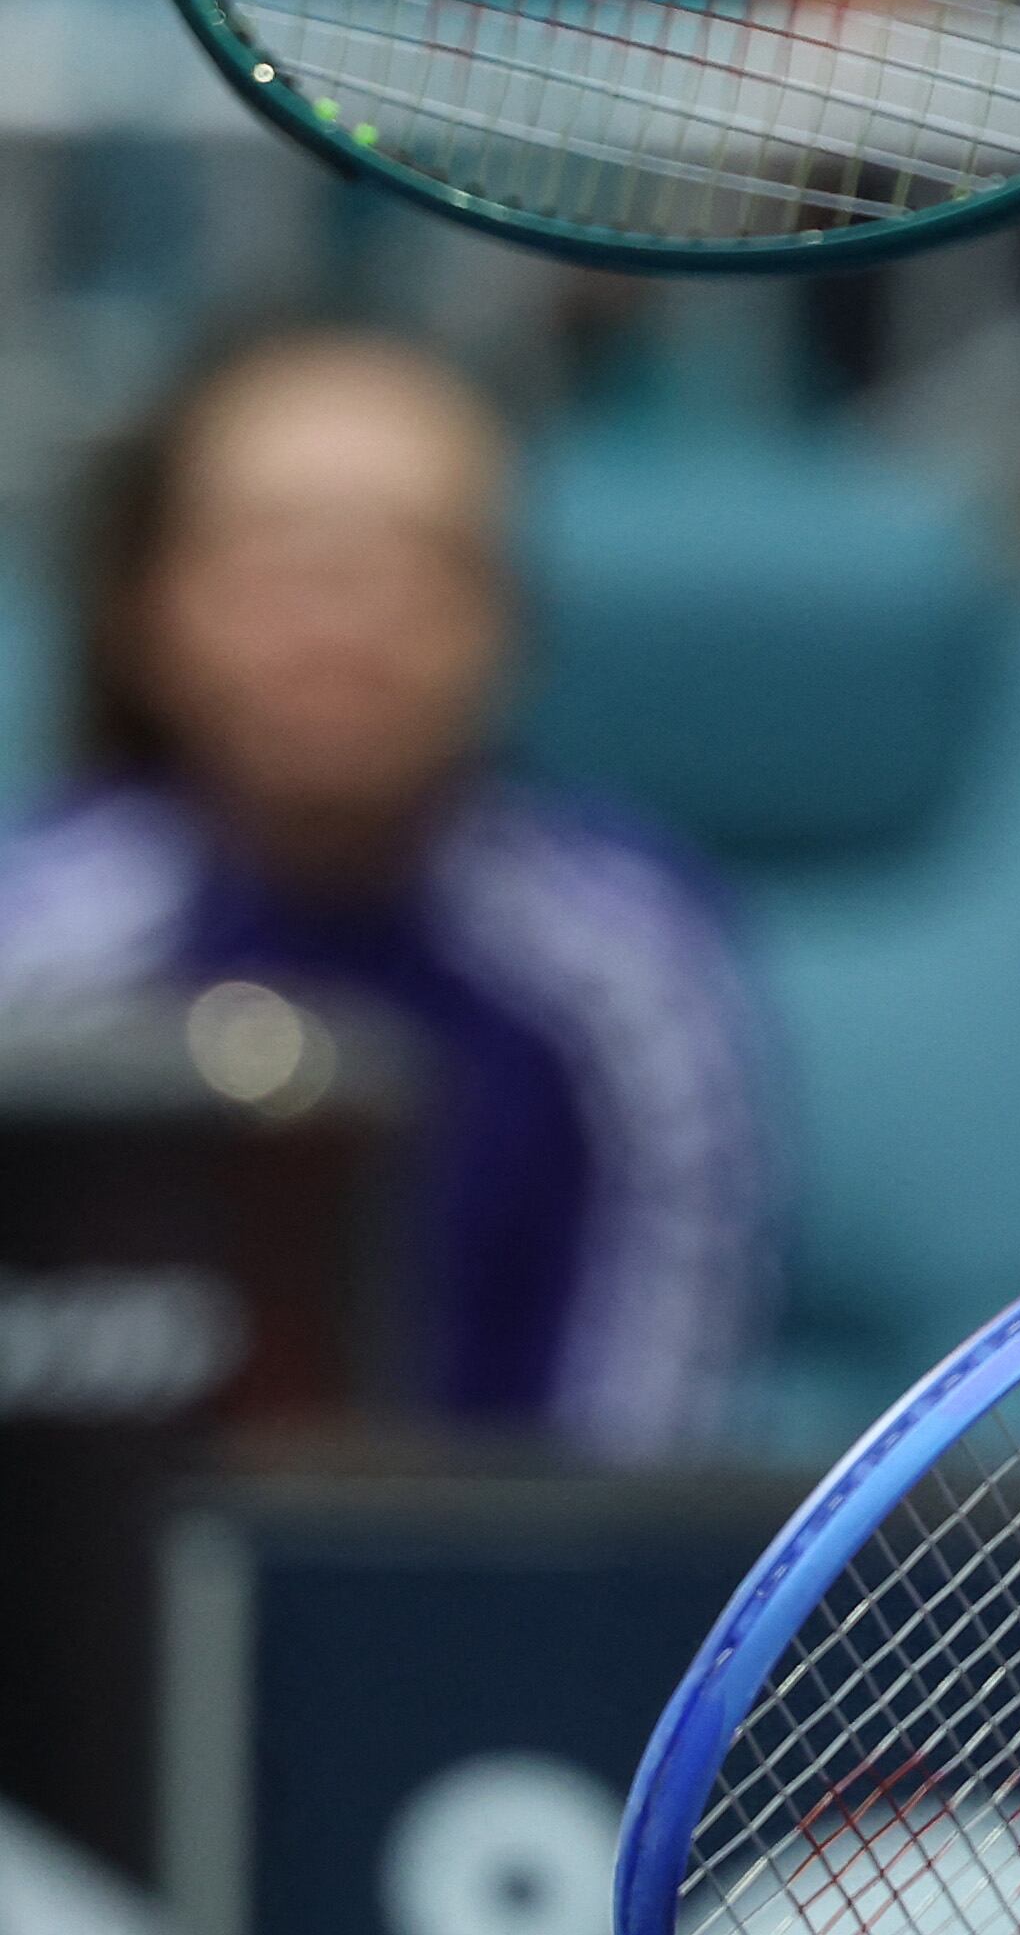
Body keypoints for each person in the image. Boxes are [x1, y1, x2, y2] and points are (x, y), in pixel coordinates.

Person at [0, 334, 774, 1460]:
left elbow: (647, 1457)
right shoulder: (32, 946)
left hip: (509, 1608)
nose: (344, 621)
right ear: (147, 611)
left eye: (415, 561)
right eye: (279, 558)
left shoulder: (635, 963)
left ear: (507, 624)